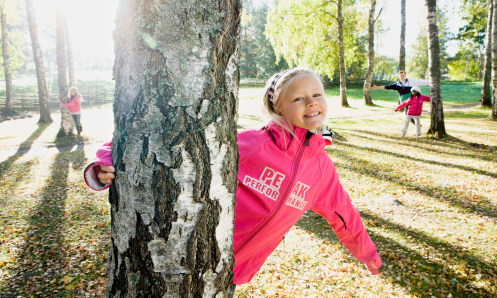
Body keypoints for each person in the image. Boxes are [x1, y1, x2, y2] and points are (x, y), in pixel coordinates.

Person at [83, 68, 383, 297]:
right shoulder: (253, 144)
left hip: (232, 275)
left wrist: (367, 253)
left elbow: (343, 214)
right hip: (189, 257)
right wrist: (104, 162)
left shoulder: (321, 168)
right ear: (278, 107)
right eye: (298, 98)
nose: (311, 103)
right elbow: (172, 144)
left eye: (317, 94)